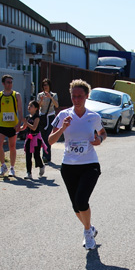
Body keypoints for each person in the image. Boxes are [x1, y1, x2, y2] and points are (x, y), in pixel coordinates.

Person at [49, 79, 106, 250]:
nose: (76, 99)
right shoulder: (63, 115)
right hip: (68, 166)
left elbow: (103, 133)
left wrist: (99, 140)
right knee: (76, 205)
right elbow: (50, 141)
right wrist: (62, 128)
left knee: (82, 200)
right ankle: (90, 228)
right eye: (73, 96)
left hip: (90, 164)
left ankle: (87, 233)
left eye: (80, 96)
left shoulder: (93, 117)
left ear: (87, 96)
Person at [0, 75, 23, 177]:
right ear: (3, 83)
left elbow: (20, 110)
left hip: (13, 125)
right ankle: (3, 165)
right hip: (1, 123)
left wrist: (19, 123)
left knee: (12, 146)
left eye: (11, 82)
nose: (10, 84)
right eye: (8, 82)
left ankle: (12, 168)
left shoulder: (16, 95)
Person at [20, 100, 46, 180]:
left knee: (36, 155)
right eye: (28, 105)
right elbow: (23, 127)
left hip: (36, 138)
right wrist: (16, 128)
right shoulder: (28, 117)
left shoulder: (37, 117)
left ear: (36, 108)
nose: (29, 107)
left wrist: (26, 123)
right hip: (29, 138)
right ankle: (29, 173)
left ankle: (41, 166)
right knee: (28, 155)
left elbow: (34, 128)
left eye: (31, 106)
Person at [37, 78, 59, 163]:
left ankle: (47, 156)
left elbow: (57, 105)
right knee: (43, 137)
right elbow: (37, 107)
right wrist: (41, 100)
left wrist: (51, 97)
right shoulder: (40, 95)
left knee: (48, 137)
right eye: (44, 85)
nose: (45, 86)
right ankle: (45, 156)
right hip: (42, 117)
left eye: (47, 85)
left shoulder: (54, 95)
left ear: (50, 86)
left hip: (50, 117)